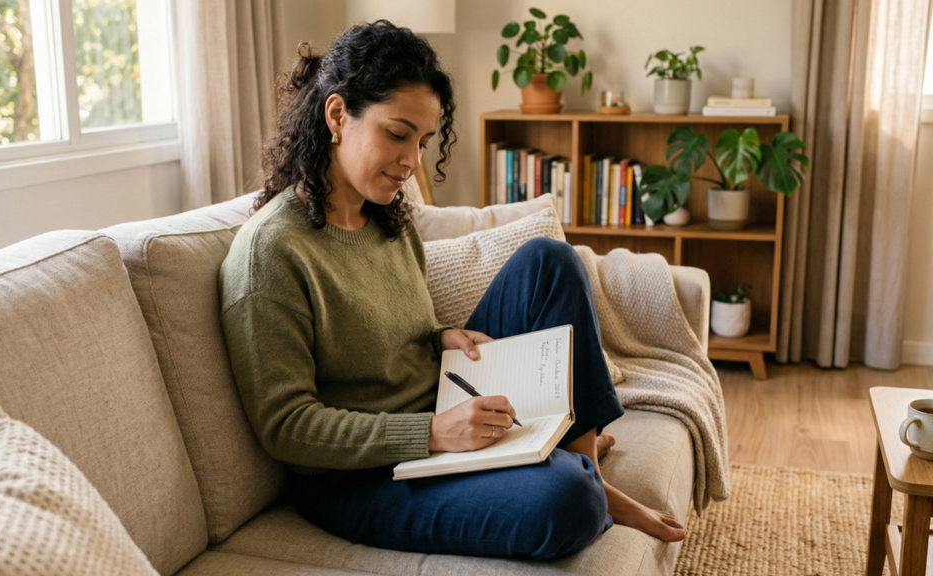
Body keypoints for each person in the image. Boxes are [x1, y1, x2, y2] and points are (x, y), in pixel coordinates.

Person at [218, 21, 686, 561]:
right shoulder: (271, 253)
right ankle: (580, 479)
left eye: (422, 141)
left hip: (442, 403)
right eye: (398, 134)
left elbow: (386, 326)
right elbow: (287, 427)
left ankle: (590, 468)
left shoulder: (384, 219)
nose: (412, 161)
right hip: (364, 476)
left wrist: (439, 335)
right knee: (569, 499)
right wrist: (434, 434)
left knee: (549, 260)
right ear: (338, 115)